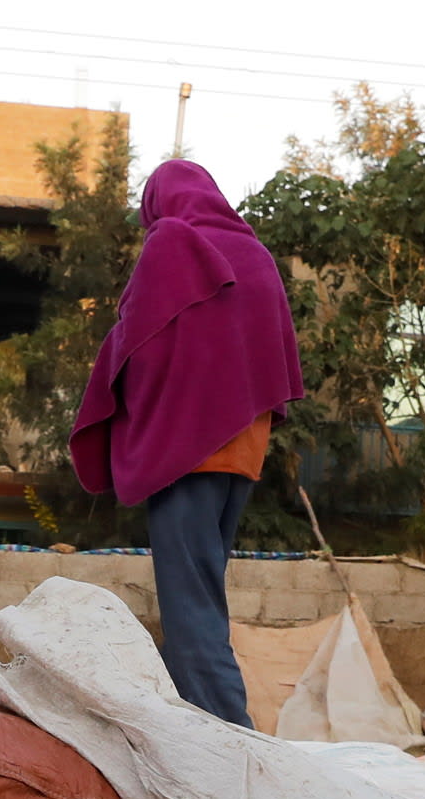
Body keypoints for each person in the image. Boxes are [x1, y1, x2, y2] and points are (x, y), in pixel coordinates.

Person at [70, 159, 308, 725]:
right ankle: (187, 727)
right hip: (244, 446)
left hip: (186, 447)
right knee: (204, 596)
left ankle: (230, 743)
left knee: (190, 608)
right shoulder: (256, 254)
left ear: (158, 202)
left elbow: (139, 343)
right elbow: (270, 352)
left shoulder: (172, 243)